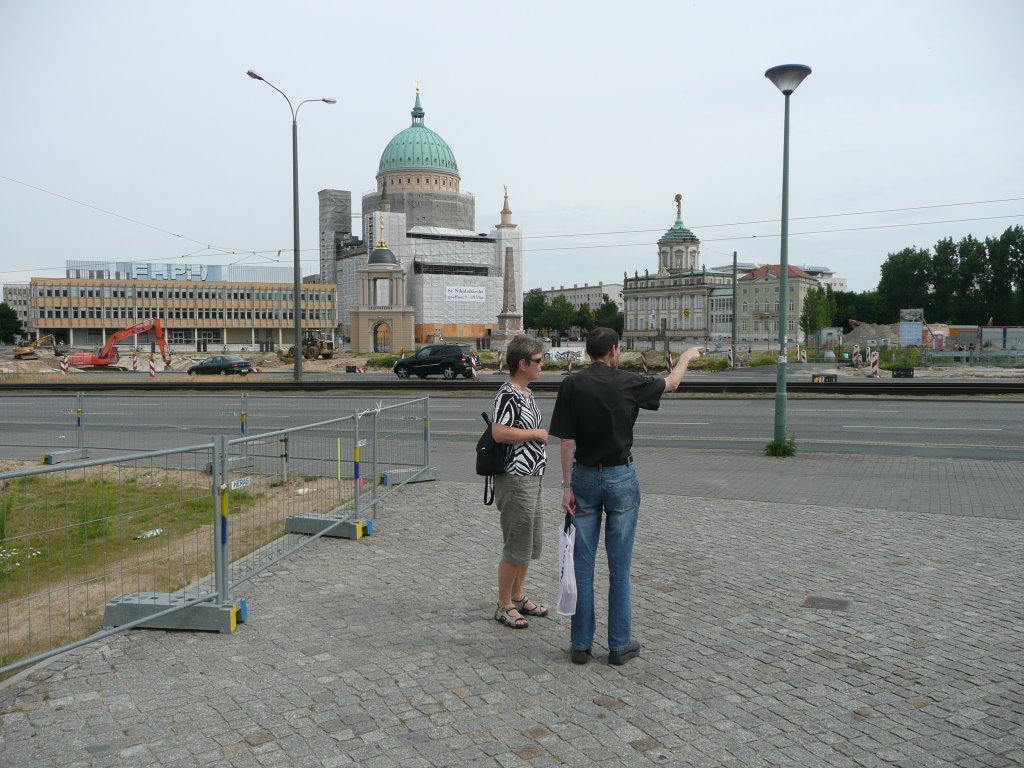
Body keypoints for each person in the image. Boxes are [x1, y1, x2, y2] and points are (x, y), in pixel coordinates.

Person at [549, 328, 700, 664]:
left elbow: (567, 442)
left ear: (588, 352)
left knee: (582, 567)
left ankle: (580, 646)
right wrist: (687, 357)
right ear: (614, 350)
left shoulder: (571, 384)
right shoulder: (629, 382)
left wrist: (567, 486)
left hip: (584, 477)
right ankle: (619, 646)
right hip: (620, 477)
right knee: (619, 568)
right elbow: (671, 383)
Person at [491, 335, 549, 629]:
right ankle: (503, 605)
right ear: (523, 363)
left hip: (532, 476)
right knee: (516, 542)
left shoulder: (526, 393)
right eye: (538, 361)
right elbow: (499, 433)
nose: (543, 365)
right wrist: (535, 434)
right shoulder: (508, 394)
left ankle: (518, 595)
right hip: (515, 477)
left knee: (529, 541)